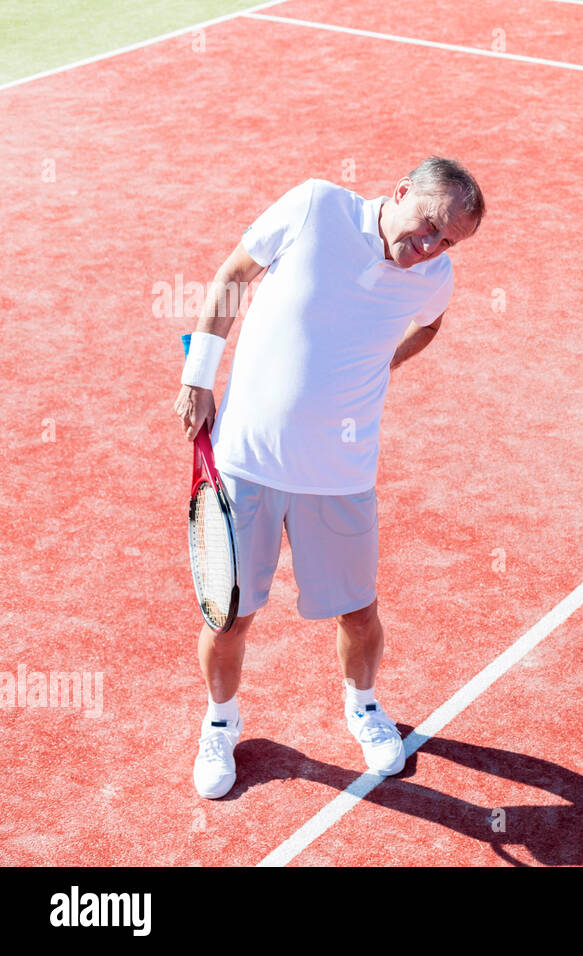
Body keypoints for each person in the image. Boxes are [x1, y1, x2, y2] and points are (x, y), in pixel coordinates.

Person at [173, 157, 485, 799]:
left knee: (358, 612)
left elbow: (430, 325)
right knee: (229, 615)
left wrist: (383, 363)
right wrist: (198, 376)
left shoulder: (434, 277)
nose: (430, 249)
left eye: (448, 242)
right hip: (245, 462)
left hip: (340, 474)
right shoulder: (315, 207)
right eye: (428, 228)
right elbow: (235, 273)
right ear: (399, 192)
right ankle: (221, 722)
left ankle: (365, 707)